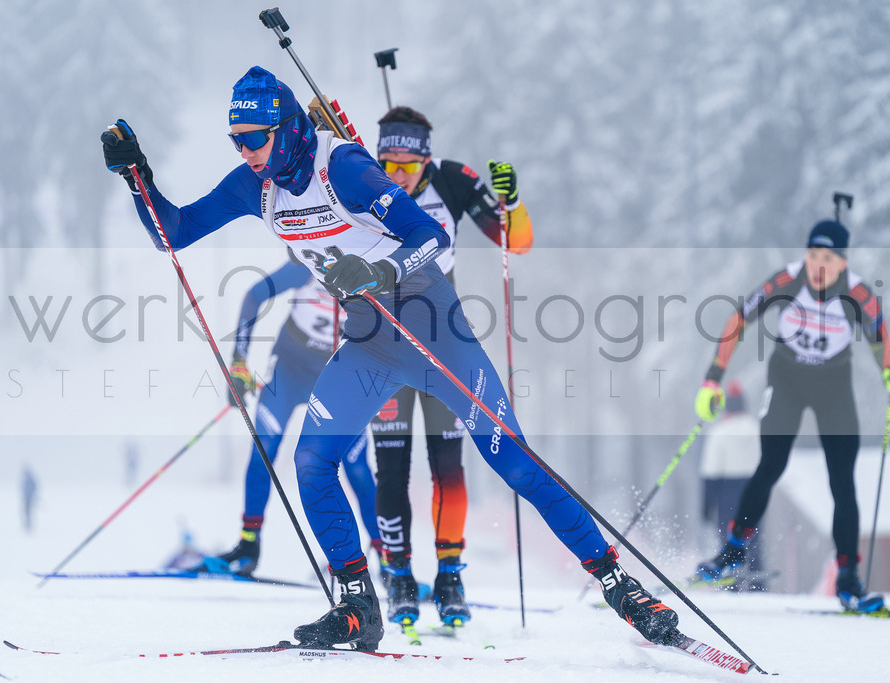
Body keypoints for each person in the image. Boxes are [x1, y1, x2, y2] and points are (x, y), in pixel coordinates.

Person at [101, 65, 680, 652]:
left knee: (514, 462)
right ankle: (358, 605)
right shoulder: (255, 184)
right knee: (312, 461)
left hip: (434, 330)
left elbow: (432, 235)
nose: (245, 151)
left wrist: (381, 270)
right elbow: (175, 233)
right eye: (236, 140)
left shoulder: (343, 168)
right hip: (369, 343)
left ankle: (621, 587)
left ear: (288, 128)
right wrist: (137, 176)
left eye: (254, 138)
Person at [690, 218, 890, 613]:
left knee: (842, 480)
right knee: (771, 464)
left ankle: (848, 579)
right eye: (813, 255)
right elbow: (737, 320)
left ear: (842, 263)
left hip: (833, 386)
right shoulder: (787, 280)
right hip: (787, 379)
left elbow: (880, 339)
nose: (818, 265)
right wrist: (712, 379)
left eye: (828, 258)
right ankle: (733, 553)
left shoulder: (858, 294)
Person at [369, 105, 533, 626]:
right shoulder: (362, 182)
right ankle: (398, 575)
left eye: (407, 166)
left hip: (444, 343)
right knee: (391, 468)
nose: (397, 175)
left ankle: (449, 575)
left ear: (426, 159)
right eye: (388, 164)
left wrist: (512, 202)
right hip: (383, 342)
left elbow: (516, 241)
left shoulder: (453, 180)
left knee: (448, 465)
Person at [193, 260, 381, 577]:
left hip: (337, 377)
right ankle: (248, 545)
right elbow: (254, 295)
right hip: (289, 370)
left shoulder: (370, 269)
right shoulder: (310, 263)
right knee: (263, 451)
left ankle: (388, 558)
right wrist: (239, 362)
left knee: (357, 467)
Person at [698, 380, 765, 588]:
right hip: (754, 489)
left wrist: (707, 504)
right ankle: (757, 583)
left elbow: (711, 470)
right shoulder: (757, 429)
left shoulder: (720, 432)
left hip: (727, 492)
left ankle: (731, 584)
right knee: (753, 538)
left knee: (729, 540)